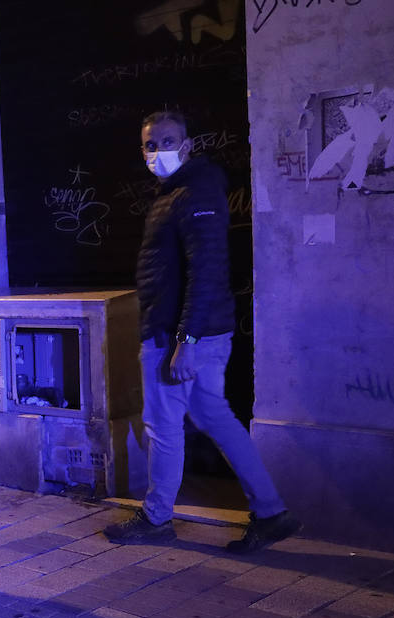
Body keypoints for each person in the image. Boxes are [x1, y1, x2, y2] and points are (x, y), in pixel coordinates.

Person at [104, 110, 300, 554]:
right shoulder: (176, 192)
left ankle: (156, 519)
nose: (158, 152)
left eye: (167, 142)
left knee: (163, 427)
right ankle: (271, 512)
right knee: (215, 418)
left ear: (187, 145)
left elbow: (206, 272)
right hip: (189, 333)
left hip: (181, 337)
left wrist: (184, 342)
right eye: (150, 145)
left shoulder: (194, 192)